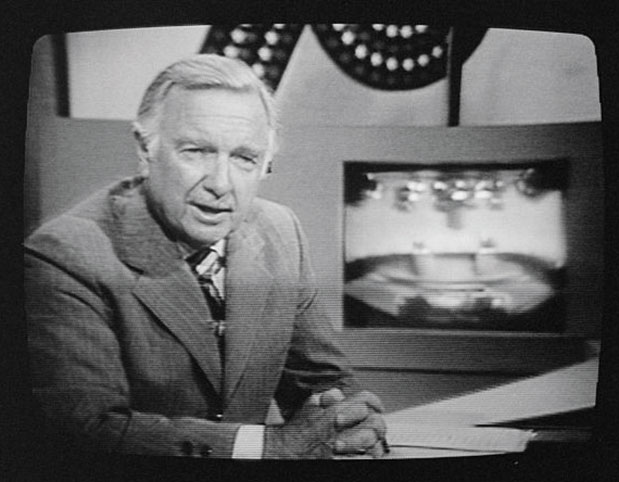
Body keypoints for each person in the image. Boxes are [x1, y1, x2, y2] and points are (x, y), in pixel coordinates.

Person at [24, 54, 387, 459]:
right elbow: (88, 427)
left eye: (243, 158)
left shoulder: (280, 231)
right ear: (146, 150)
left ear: (265, 164)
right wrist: (270, 447)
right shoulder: (65, 255)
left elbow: (323, 382)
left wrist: (351, 420)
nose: (220, 183)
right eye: (196, 151)